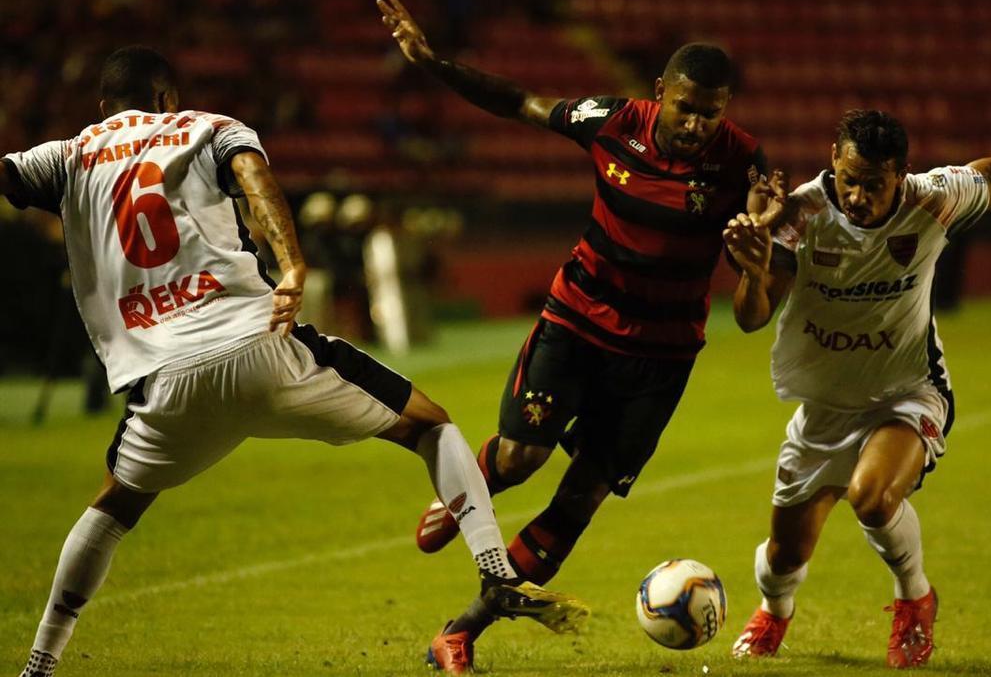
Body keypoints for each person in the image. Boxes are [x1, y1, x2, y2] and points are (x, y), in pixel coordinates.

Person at [3, 46, 586, 677]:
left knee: (117, 505)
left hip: (164, 382)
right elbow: (255, 181)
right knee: (430, 424)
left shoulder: (68, 154)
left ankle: (40, 662)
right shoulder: (205, 126)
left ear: (103, 108)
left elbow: (10, 178)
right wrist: (293, 262)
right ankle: (495, 572)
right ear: (168, 97)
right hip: (260, 344)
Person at [377, 0, 775, 673]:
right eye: (687, 108)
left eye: (712, 112)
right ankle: (468, 488)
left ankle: (461, 630)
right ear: (660, 95)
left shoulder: (745, 168)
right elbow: (521, 102)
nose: (698, 123)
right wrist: (435, 63)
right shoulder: (613, 121)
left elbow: (751, 314)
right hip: (578, 321)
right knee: (521, 457)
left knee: (581, 498)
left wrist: (760, 260)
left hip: (660, 355)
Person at [723, 109, 991, 669]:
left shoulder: (934, 198)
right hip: (826, 404)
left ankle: (915, 599)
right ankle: (774, 610)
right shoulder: (801, 214)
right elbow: (750, 318)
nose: (858, 195)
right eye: (849, 178)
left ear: (901, 174)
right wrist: (752, 268)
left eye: (874, 184)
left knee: (872, 495)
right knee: (783, 555)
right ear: (833, 160)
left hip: (907, 390)